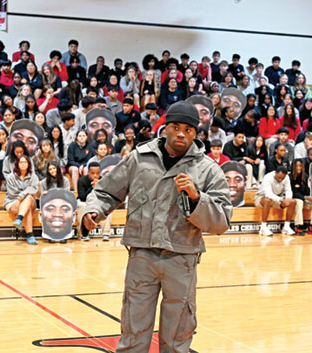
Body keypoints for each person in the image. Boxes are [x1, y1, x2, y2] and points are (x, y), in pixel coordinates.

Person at [82, 101, 232, 352]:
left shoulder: (208, 170)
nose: (181, 133)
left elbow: (222, 221)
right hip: (142, 255)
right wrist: (93, 210)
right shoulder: (139, 159)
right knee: (133, 331)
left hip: (182, 257)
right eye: (175, 127)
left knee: (177, 335)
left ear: (196, 133)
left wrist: (197, 198)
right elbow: (107, 190)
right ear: (165, 128)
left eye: (188, 129)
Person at [4, 155, 39, 245]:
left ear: (28, 164)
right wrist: (22, 196)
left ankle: (19, 218)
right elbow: (12, 193)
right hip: (13, 201)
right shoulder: (10, 177)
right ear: (17, 164)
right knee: (27, 208)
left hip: (29, 201)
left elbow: (34, 189)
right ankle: (30, 235)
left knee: (30, 197)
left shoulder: (33, 176)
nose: (23, 164)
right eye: (21, 162)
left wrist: (22, 194)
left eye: (25, 162)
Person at [254, 166, 295, 236]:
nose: (280, 179)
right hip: (261, 197)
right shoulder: (268, 177)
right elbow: (268, 194)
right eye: (279, 177)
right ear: (275, 173)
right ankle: (263, 227)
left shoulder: (286, 177)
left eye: (282, 178)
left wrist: (287, 199)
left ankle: (286, 226)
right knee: (267, 200)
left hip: (277, 198)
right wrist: (281, 199)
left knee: (292, 202)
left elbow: (289, 191)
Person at [291, 159, 312, 235]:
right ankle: (298, 225)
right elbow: (292, 193)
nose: (299, 168)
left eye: (300, 166)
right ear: (293, 167)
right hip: (294, 200)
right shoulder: (289, 177)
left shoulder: (306, 176)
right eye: (297, 166)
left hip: (304, 199)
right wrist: (305, 197)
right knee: (299, 201)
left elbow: (308, 191)